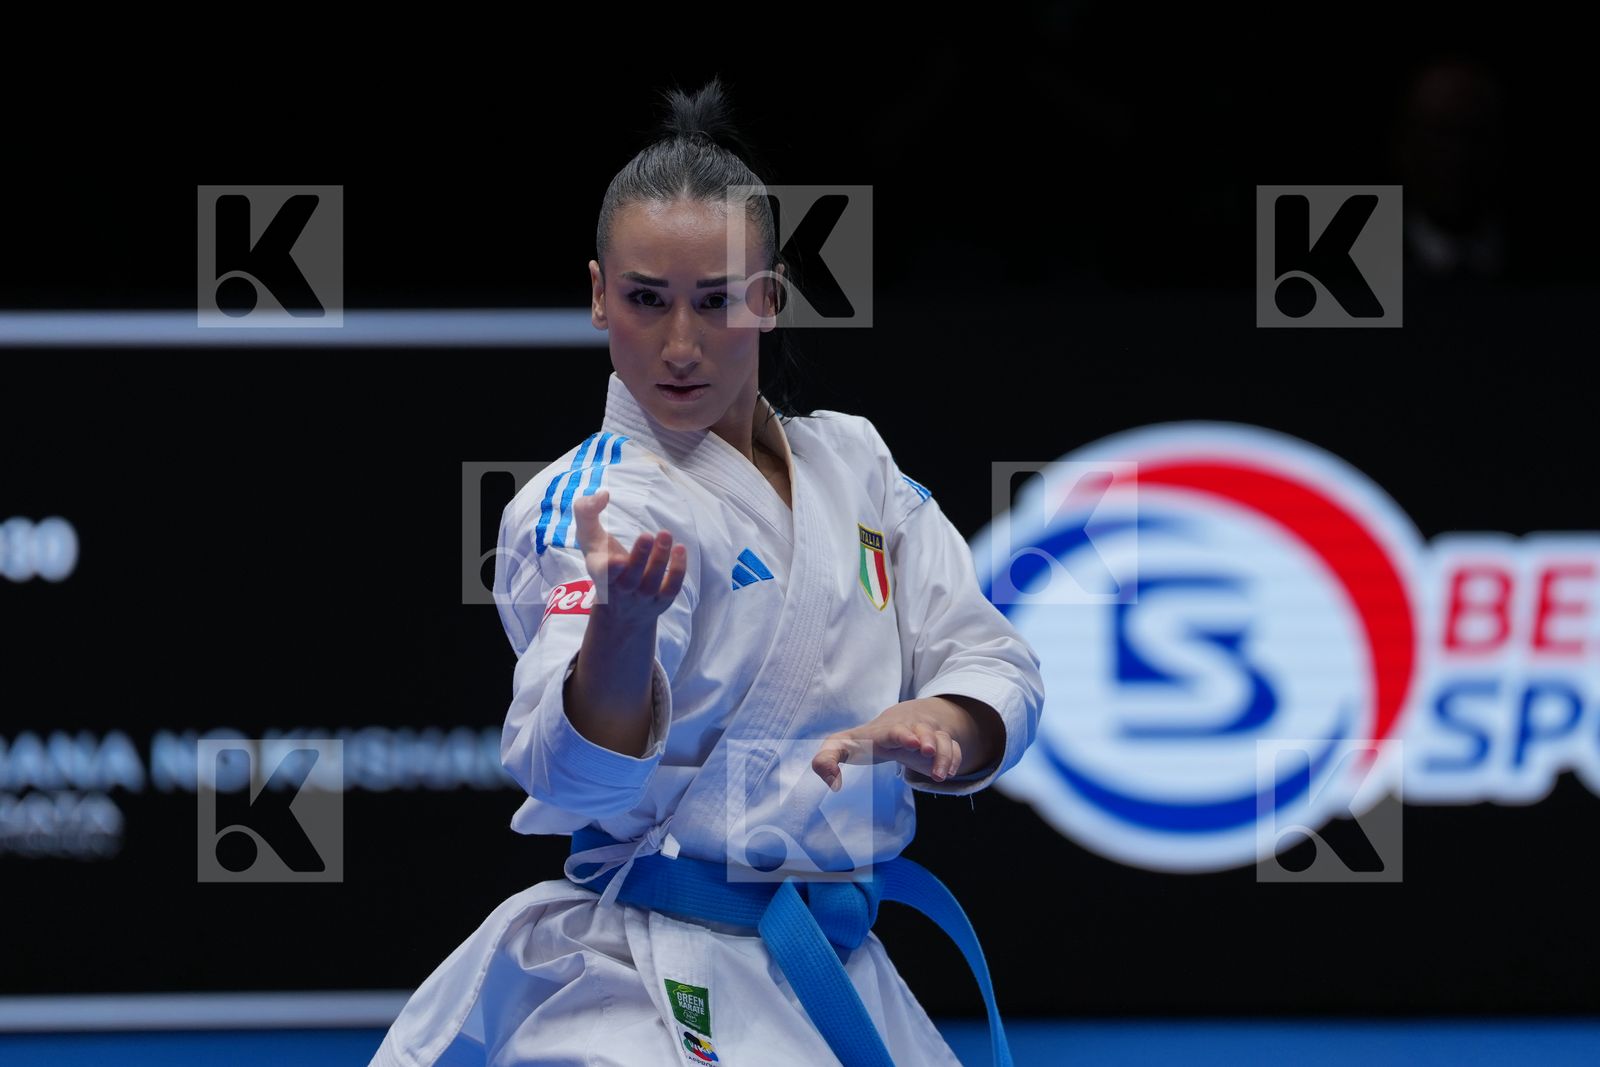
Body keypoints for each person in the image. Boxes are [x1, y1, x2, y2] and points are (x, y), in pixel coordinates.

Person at [371, 75, 1044, 1067]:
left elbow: (993, 656)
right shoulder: (593, 505)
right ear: (600, 295)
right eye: (646, 300)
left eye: (717, 301)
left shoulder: (853, 462)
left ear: (767, 300)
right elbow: (565, 771)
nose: (680, 344)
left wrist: (946, 723)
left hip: (839, 962)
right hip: (649, 975)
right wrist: (620, 630)